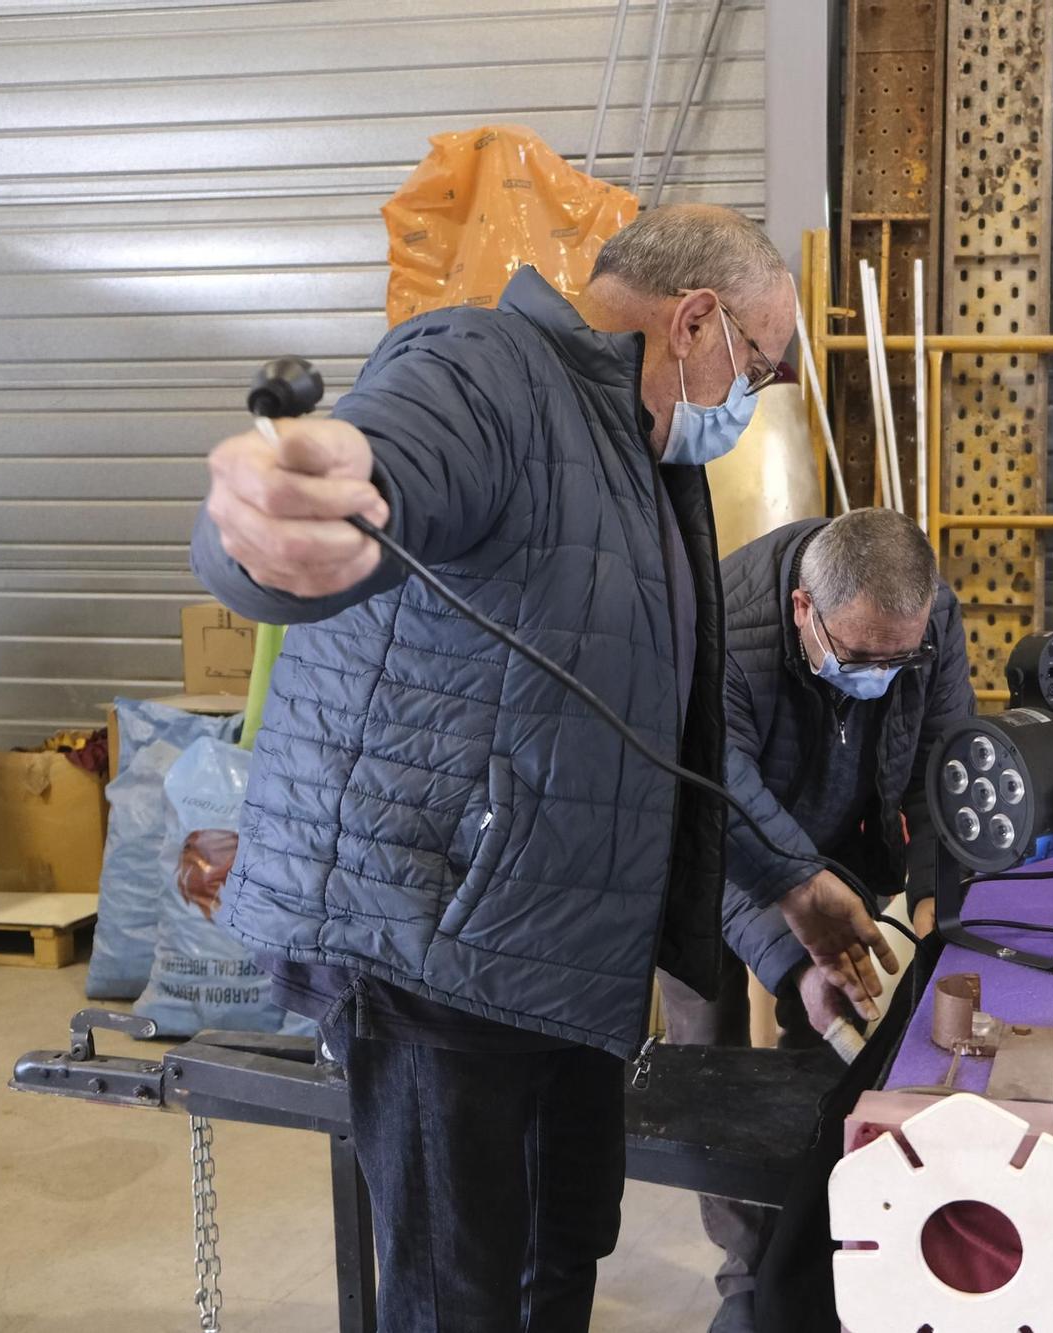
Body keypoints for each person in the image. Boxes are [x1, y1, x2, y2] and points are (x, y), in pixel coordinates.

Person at [190, 204, 897, 1333]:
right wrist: (289, 515)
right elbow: (384, 461)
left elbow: (651, 723)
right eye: (756, 370)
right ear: (696, 320)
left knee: (560, 1252)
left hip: (554, 956)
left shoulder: (634, 451)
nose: (749, 399)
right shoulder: (487, 366)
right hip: (440, 953)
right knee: (462, 1299)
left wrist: (787, 880)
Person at [658, 506, 975, 1332]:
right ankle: (744, 1280)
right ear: (803, 608)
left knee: (831, 1051)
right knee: (708, 1064)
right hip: (705, 855)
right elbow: (710, 808)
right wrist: (793, 951)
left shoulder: (926, 615)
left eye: (896, 659)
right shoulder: (718, 623)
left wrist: (941, 901)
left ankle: (816, 1257)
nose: (879, 674)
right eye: (860, 657)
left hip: (839, 854)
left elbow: (945, 757)